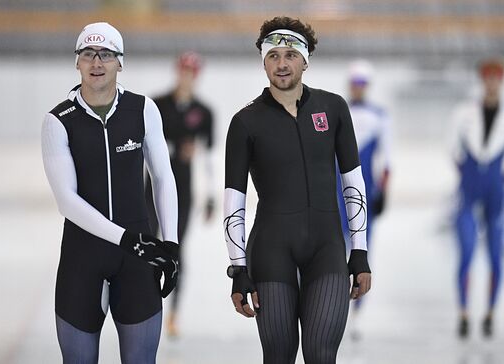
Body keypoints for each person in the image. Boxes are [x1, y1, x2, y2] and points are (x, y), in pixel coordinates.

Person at [223, 16, 372, 363]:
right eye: (273, 56)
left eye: (290, 55)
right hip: (272, 251)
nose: (281, 63)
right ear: (263, 62)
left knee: (321, 354)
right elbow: (234, 201)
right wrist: (238, 269)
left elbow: (353, 183)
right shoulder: (245, 122)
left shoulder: (333, 109)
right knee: (278, 355)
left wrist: (360, 252)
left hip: (327, 249)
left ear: (305, 60)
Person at [41, 22, 180, 363]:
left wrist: (172, 244)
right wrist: (127, 239)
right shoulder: (58, 120)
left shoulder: (142, 109)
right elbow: (67, 201)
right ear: (77, 62)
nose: (97, 62)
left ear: (121, 61)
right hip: (82, 258)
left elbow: (163, 177)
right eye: (88, 54)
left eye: (106, 54)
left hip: (138, 258)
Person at [450, 58, 504, 339]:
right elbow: (452, 148)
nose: (492, 83)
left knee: (496, 254)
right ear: (482, 80)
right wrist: (465, 174)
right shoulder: (464, 114)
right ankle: (463, 312)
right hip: (470, 189)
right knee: (466, 251)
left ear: (502, 81)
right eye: (488, 78)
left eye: (496, 78)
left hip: (496, 191)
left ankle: (490, 312)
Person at [145, 50, 215, 337]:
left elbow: (209, 156)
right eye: (183, 71)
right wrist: (176, 149)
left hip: (183, 191)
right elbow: (141, 144)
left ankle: (173, 313)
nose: (186, 76)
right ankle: (146, 308)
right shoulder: (156, 105)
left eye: (191, 72)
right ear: (177, 72)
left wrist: (211, 195)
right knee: (147, 247)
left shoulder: (204, 112)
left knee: (175, 249)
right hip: (153, 187)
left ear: (196, 76)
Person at [336, 60, 391, 340]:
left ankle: (356, 313)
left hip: (366, 194)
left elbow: (387, 158)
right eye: (354, 83)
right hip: (336, 193)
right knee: (335, 253)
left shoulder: (380, 116)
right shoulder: (336, 111)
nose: (358, 88)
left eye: (362, 84)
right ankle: (336, 308)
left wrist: (385, 192)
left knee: (362, 253)